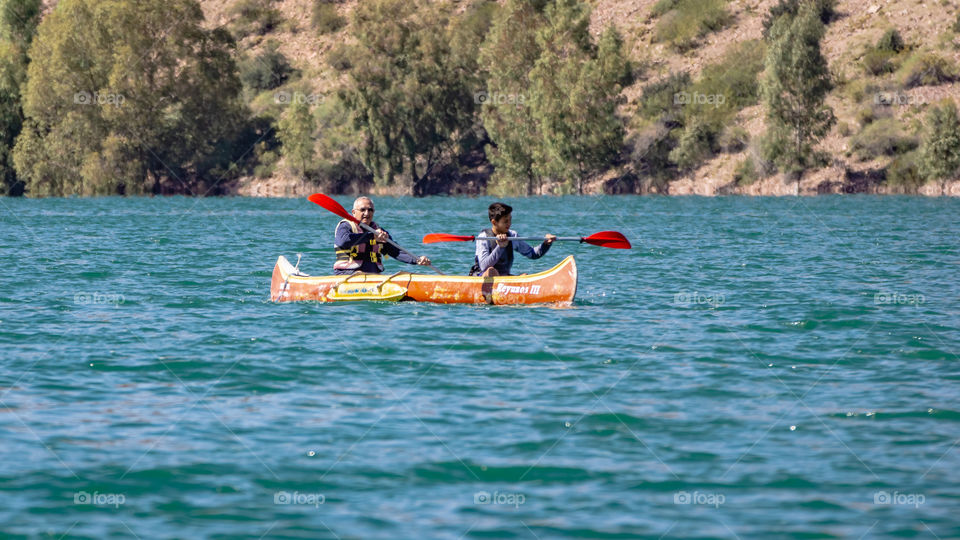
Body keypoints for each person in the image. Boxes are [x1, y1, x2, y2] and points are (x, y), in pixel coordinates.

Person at [333, 196, 431, 274]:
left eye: (370, 210)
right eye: (362, 210)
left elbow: (395, 251)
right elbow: (343, 241)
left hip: (372, 274)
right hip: (346, 273)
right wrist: (371, 236)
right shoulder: (345, 226)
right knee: (362, 274)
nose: (367, 213)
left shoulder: (379, 231)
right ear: (354, 212)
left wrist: (416, 259)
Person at [469, 202, 556, 277]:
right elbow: (484, 266)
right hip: (482, 277)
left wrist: (546, 244)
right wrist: (500, 247)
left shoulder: (512, 236)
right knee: (491, 271)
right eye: (505, 221)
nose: (509, 224)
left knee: (524, 276)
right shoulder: (484, 237)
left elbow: (533, 254)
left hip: (505, 278)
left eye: (510, 220)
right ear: (494, 222)